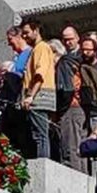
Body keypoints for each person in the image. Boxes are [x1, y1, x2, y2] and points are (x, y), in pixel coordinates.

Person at [21, 19, 56, 159]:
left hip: (39, 98)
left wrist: (30, 96)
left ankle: (42, 164)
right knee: (39, 134)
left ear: (36, 31)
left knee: (40, 135)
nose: (24, 36)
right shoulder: (38, 49)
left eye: (26, 32)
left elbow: (39, 74)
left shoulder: (41, 47)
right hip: (39, 97)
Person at [56, 26, 87, 172]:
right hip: (82, 107)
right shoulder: (85, 58)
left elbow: (68, 88)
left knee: (71, 145)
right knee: (79, 144)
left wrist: (60, 107)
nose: (68, 42)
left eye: (70, 39)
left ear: (77, 38)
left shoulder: (66, 61)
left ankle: (74, 176)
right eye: (65, 40)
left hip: (72, 106)